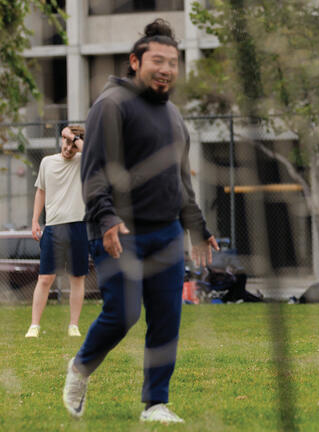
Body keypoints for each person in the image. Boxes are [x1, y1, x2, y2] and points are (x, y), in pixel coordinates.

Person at [62, 19, 218, 424]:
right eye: (157, 60)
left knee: (167, 317)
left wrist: (197, 226)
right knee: (123, 313)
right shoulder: (110, 105)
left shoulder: (173, 117)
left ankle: (156, 404)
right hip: (120, 231)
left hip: (165, 232)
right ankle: (80, 368)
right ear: (135, 61)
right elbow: (94, 172)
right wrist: (107, 217)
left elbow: (180, 182)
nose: (166, 68)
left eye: (173, 62)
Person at [25, 125, 87, 338]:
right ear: (61, 139)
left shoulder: (83, 162)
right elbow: (40, 192)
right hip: (53, 227)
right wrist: (35, 220)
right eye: (65, 141)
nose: (68, 147)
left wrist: (75, 138)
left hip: (78, 226)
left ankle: (73, 325)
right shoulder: (47, 162)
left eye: (73, 143)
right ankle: (34, 325)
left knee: (77, 278)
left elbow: (92, 154)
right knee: (45, 278)